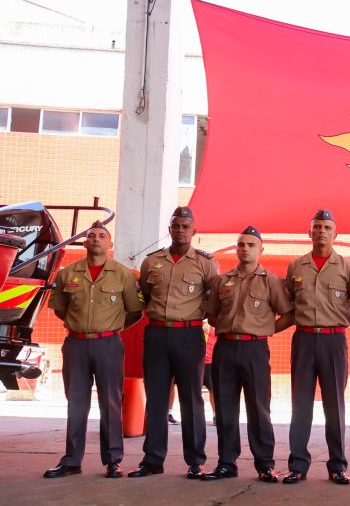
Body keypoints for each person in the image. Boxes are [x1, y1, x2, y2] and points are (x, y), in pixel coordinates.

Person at [44, 220, 144, 478]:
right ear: (85, 242)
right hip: (76, 343)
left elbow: (134, 311)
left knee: (110, 402)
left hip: (108, 345)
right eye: (91, 235)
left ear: (109, 244)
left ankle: (113, 460)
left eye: (102, 236)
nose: (96, 239)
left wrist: (110, 328)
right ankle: (71, 460)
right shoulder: (68, 273)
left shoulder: (122, 275)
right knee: (76, 402)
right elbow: (59, 308)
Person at [129, 206, 218, 480]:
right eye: (176, 225)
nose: (180, 229)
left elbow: (214, 298)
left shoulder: (206, 263)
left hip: (189, 335)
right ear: (169, 228)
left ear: (194, 231)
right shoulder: (151, 262)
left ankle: (196, 461)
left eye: (185, 226)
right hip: (156, 334)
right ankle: (153, 459)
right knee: (156, 399)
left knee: (191, 399)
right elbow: (143, 295)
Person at [276, 209, 350, 485]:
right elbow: (287, 303)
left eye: (326, 227)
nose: (321, 231)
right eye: (317, 227)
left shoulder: (348, 268)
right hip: (304, 339)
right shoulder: (296, 267)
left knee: (334, 405)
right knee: (300, 404)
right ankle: (297, 465)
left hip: (334, 341)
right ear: (309, 233)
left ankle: (337, 466)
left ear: (335, 234)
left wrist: (343, 320)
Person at [202, 226, 291, 483]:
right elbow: (212, 314)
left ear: (260, 249)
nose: (245, 249)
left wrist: (266, 329)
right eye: (241, 244)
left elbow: (287, 313)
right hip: (226, 348)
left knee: (259, 408)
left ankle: (265, 464)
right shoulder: (222, 281)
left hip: (255, 349)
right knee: (225, 408)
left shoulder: (271, 281)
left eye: (251, 245)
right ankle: (226, 462)